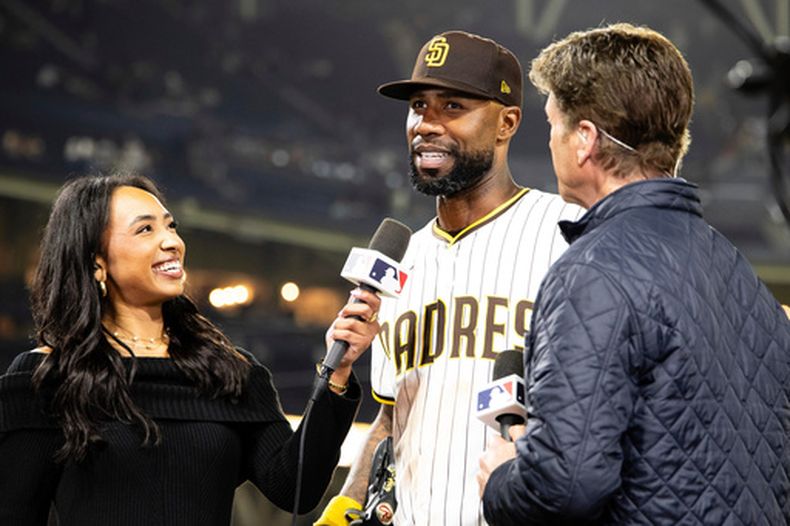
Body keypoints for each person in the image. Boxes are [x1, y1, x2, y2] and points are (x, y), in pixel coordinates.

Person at [478, 23, 790, 525]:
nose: (552, 141)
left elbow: (565, 486)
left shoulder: (593, 273)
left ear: (584, 140)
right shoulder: (741, 277)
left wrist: (503, 480)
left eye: (554, 125)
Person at [0, 172, 381, 526]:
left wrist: (338, 373)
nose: (171, 241)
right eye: (145, 229)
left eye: (170, 226)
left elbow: (294, 486)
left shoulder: (229, 372)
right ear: (97, 263)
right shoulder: (46, 377)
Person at [316, 30, 582, 526]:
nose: (426, 124)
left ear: (507, 123)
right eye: (418, 106)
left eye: (453, 106)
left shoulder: (566, 231)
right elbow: (395, 418)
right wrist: (348, 503)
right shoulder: (400, 263)